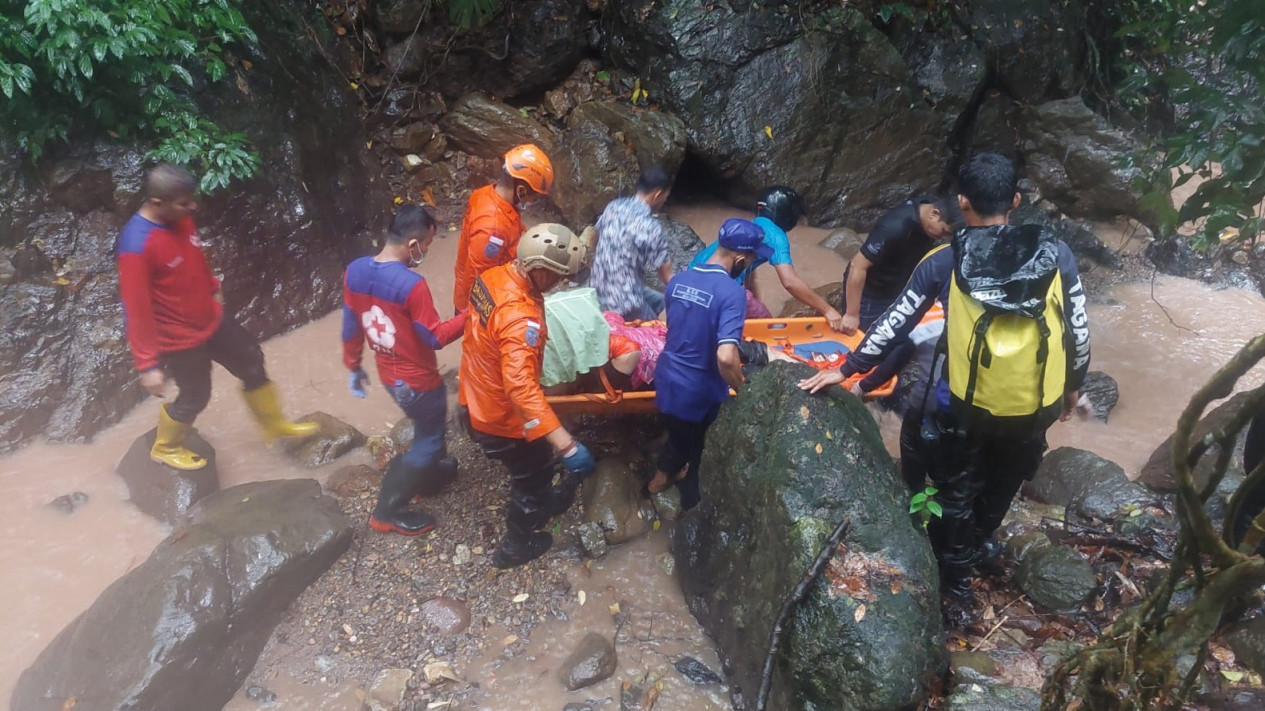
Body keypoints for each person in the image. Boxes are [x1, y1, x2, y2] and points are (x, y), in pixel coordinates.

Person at [799, 153, 1092, 622]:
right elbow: (1076, 325)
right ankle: (978, 544)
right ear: (1015, 201)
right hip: (1035, 401)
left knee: (955, 488)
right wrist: (1072, 385)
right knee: (1003, 482)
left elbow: (897, 320)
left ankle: (954, 581)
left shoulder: (945, 258)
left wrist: (849, 368)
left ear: (962, 203)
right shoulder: (1056, 253)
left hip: (963, 401)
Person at [116, 163, 316, 471]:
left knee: (251, 357)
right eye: (185, 203)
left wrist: (213, 286)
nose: (192, 207)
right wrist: (147, 365)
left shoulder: (179, 217)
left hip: (210, 317)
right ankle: (166, 446)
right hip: (177, 337)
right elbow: (136, 308)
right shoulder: (136, 245)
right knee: (196, 396)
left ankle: (273, 425)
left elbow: (193, 256)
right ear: (158, 203)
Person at [458, 223, 598, 568]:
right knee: (532, 472)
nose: (561, 283)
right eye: (558, 277)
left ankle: (543, 499)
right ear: (537, 271)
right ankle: (516, 546)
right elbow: (521, 389)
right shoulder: (521, 319)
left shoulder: (494, 276)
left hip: (474, 391)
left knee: (536, 463)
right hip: (499, 416)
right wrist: (567, 444)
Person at [342, 205, 468, 536]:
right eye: (427, 244)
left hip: (389, 377)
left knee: (427, 429)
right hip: (418, 381)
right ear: (412, 244)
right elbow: (435, 336)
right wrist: (473, 315)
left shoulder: (354, 271)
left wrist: (353, 365)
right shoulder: (412, 284)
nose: (427, 250)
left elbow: (351, 324)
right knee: (429, 438)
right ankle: (386, 511)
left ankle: (427, 477)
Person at [648, 218, 768, 509]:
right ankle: (690, 508)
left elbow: (668, 324)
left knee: (678, 436)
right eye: (751, 259)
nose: (750, 264)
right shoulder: (732, 293)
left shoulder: (677, 280)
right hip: (698, 390)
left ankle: (659, 480)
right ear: (740, 258)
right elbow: (725, 356)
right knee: (698, 451)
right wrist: (743, 388)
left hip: (666, 378)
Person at [690, 186, 843, 328]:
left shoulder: (753, 226)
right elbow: (790, 281)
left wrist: (752, 295)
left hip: (692, 276)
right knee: (768, 325)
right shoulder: (776, 235)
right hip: (721, 286)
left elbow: (747, 265)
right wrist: (827, 310)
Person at [452, 144, 554, 312]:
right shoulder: (492, 229)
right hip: (477, 305)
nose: (532, 201)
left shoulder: (486, 193)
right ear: (520, 190)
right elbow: (478, 281)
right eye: (533, 196)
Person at [839, 196, 954, 335]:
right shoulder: (895, 227)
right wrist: (852, 314)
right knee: (866, 339)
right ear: (934, 214)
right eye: (944, 232)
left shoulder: (928, 212)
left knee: (895, 338)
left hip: (898, 287)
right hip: (871, 293)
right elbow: (857, 265)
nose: (944, 238)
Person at [589, 165, 674, 321]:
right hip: (625, 305)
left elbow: (594, 237)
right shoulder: (651, 227)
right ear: (657, 195)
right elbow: (667, 277)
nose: (664, 201)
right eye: (665, 198)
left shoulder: (613, 206)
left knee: (659, 301)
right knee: (663, 319)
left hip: (596, 292)